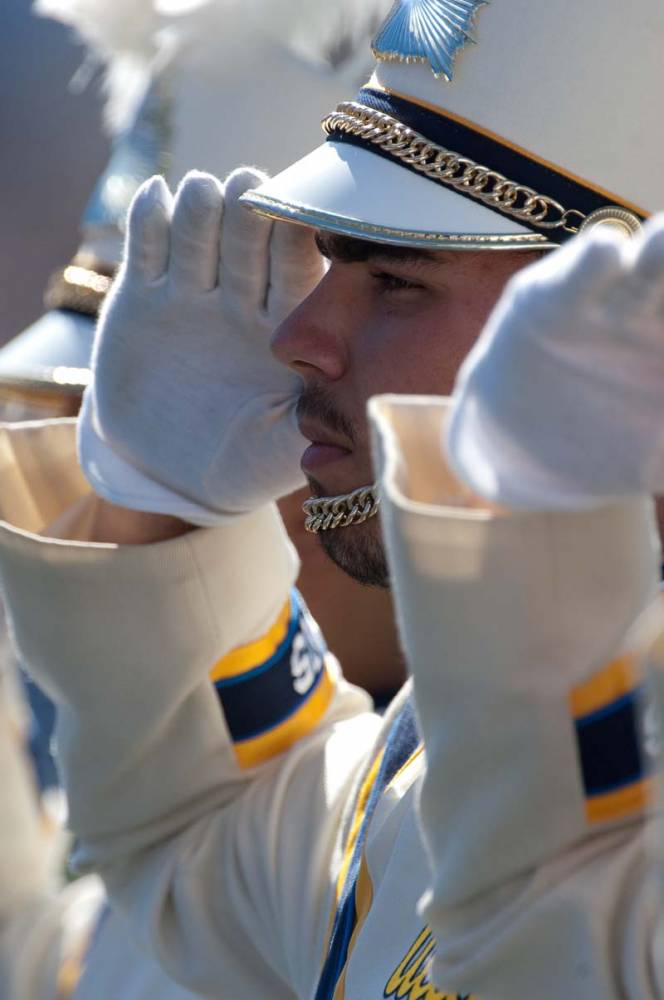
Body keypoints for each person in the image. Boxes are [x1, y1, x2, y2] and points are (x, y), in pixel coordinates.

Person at [0, 2, 662, 999]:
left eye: (392, 279)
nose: (296, 337)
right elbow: (192, 854)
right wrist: (161, 502)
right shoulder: (420, 759)